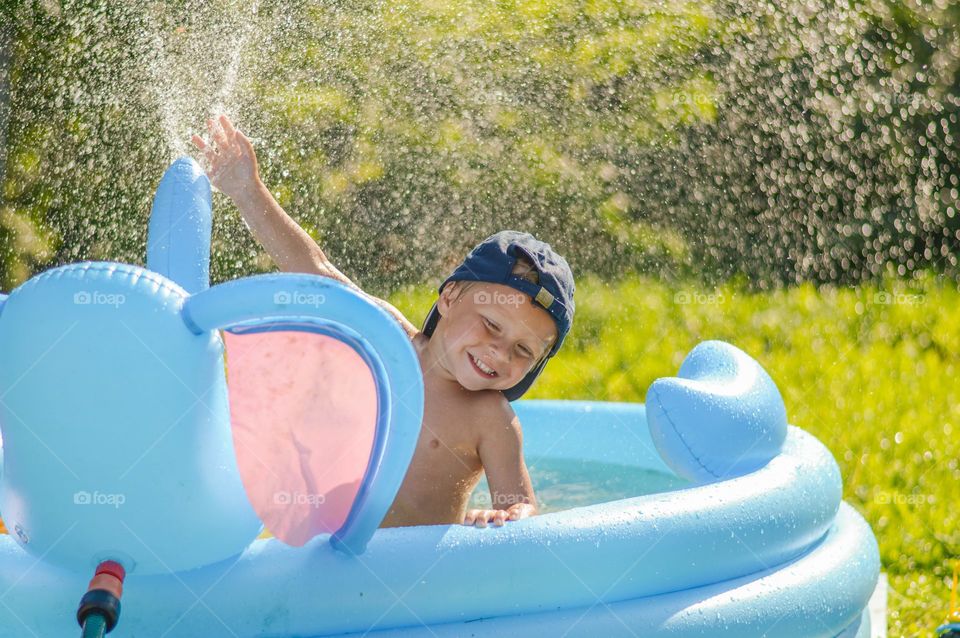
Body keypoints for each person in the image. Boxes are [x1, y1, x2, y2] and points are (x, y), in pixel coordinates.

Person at [192, 115, 575, 528]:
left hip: (413, 580)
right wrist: (248, 191)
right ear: (449, 297)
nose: (498, 351)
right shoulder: (384, 338)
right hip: (328, 558)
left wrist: (506, 516)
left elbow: (524, 511)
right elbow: (313, 270)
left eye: (522, 350)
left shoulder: (491, 419)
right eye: (491, 325)